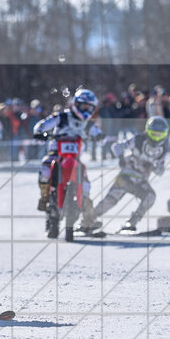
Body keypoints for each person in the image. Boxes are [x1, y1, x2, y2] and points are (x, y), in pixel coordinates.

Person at [32, 88, 103, 239]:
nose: (86, 110)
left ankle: (87, 213)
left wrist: (100, 137)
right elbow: (42, 125)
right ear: (76, 104)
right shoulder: (62, 116)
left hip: (75, 158)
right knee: (45, 170)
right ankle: (44, 197)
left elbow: (99, 134)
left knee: (86, 185)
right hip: (56, 154)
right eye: (84, 106)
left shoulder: (88, 123)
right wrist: (40, 132)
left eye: (89, 108)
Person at [82, 116, 170, 233]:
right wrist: (121, 158)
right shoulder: (138, 140)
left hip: (140, 182)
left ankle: (132, 222)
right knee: (109, 202)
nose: (156, 138)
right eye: (154, 134)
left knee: (150, 197)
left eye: (159, 135)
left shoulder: (162, 150)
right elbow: (116, 147)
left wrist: (153, 167)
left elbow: (161, 171)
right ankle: (87, 221)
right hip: (126, 178)